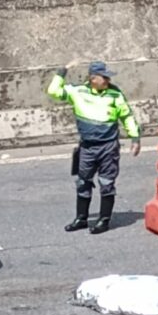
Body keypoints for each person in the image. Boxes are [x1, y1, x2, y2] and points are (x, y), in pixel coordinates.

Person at [47, 60, 141, 234]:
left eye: (107, 77)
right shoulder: (78, 91)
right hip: (87, 147)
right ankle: (81, 219)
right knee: (83, 182)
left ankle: (104, 220)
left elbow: (127, 116)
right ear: (92, 78)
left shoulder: (115, 93)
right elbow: (53, 91)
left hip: (108, 147)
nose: (107, 80)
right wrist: (64, 70)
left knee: (107, 183)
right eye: (103, 77)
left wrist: (135, 138)